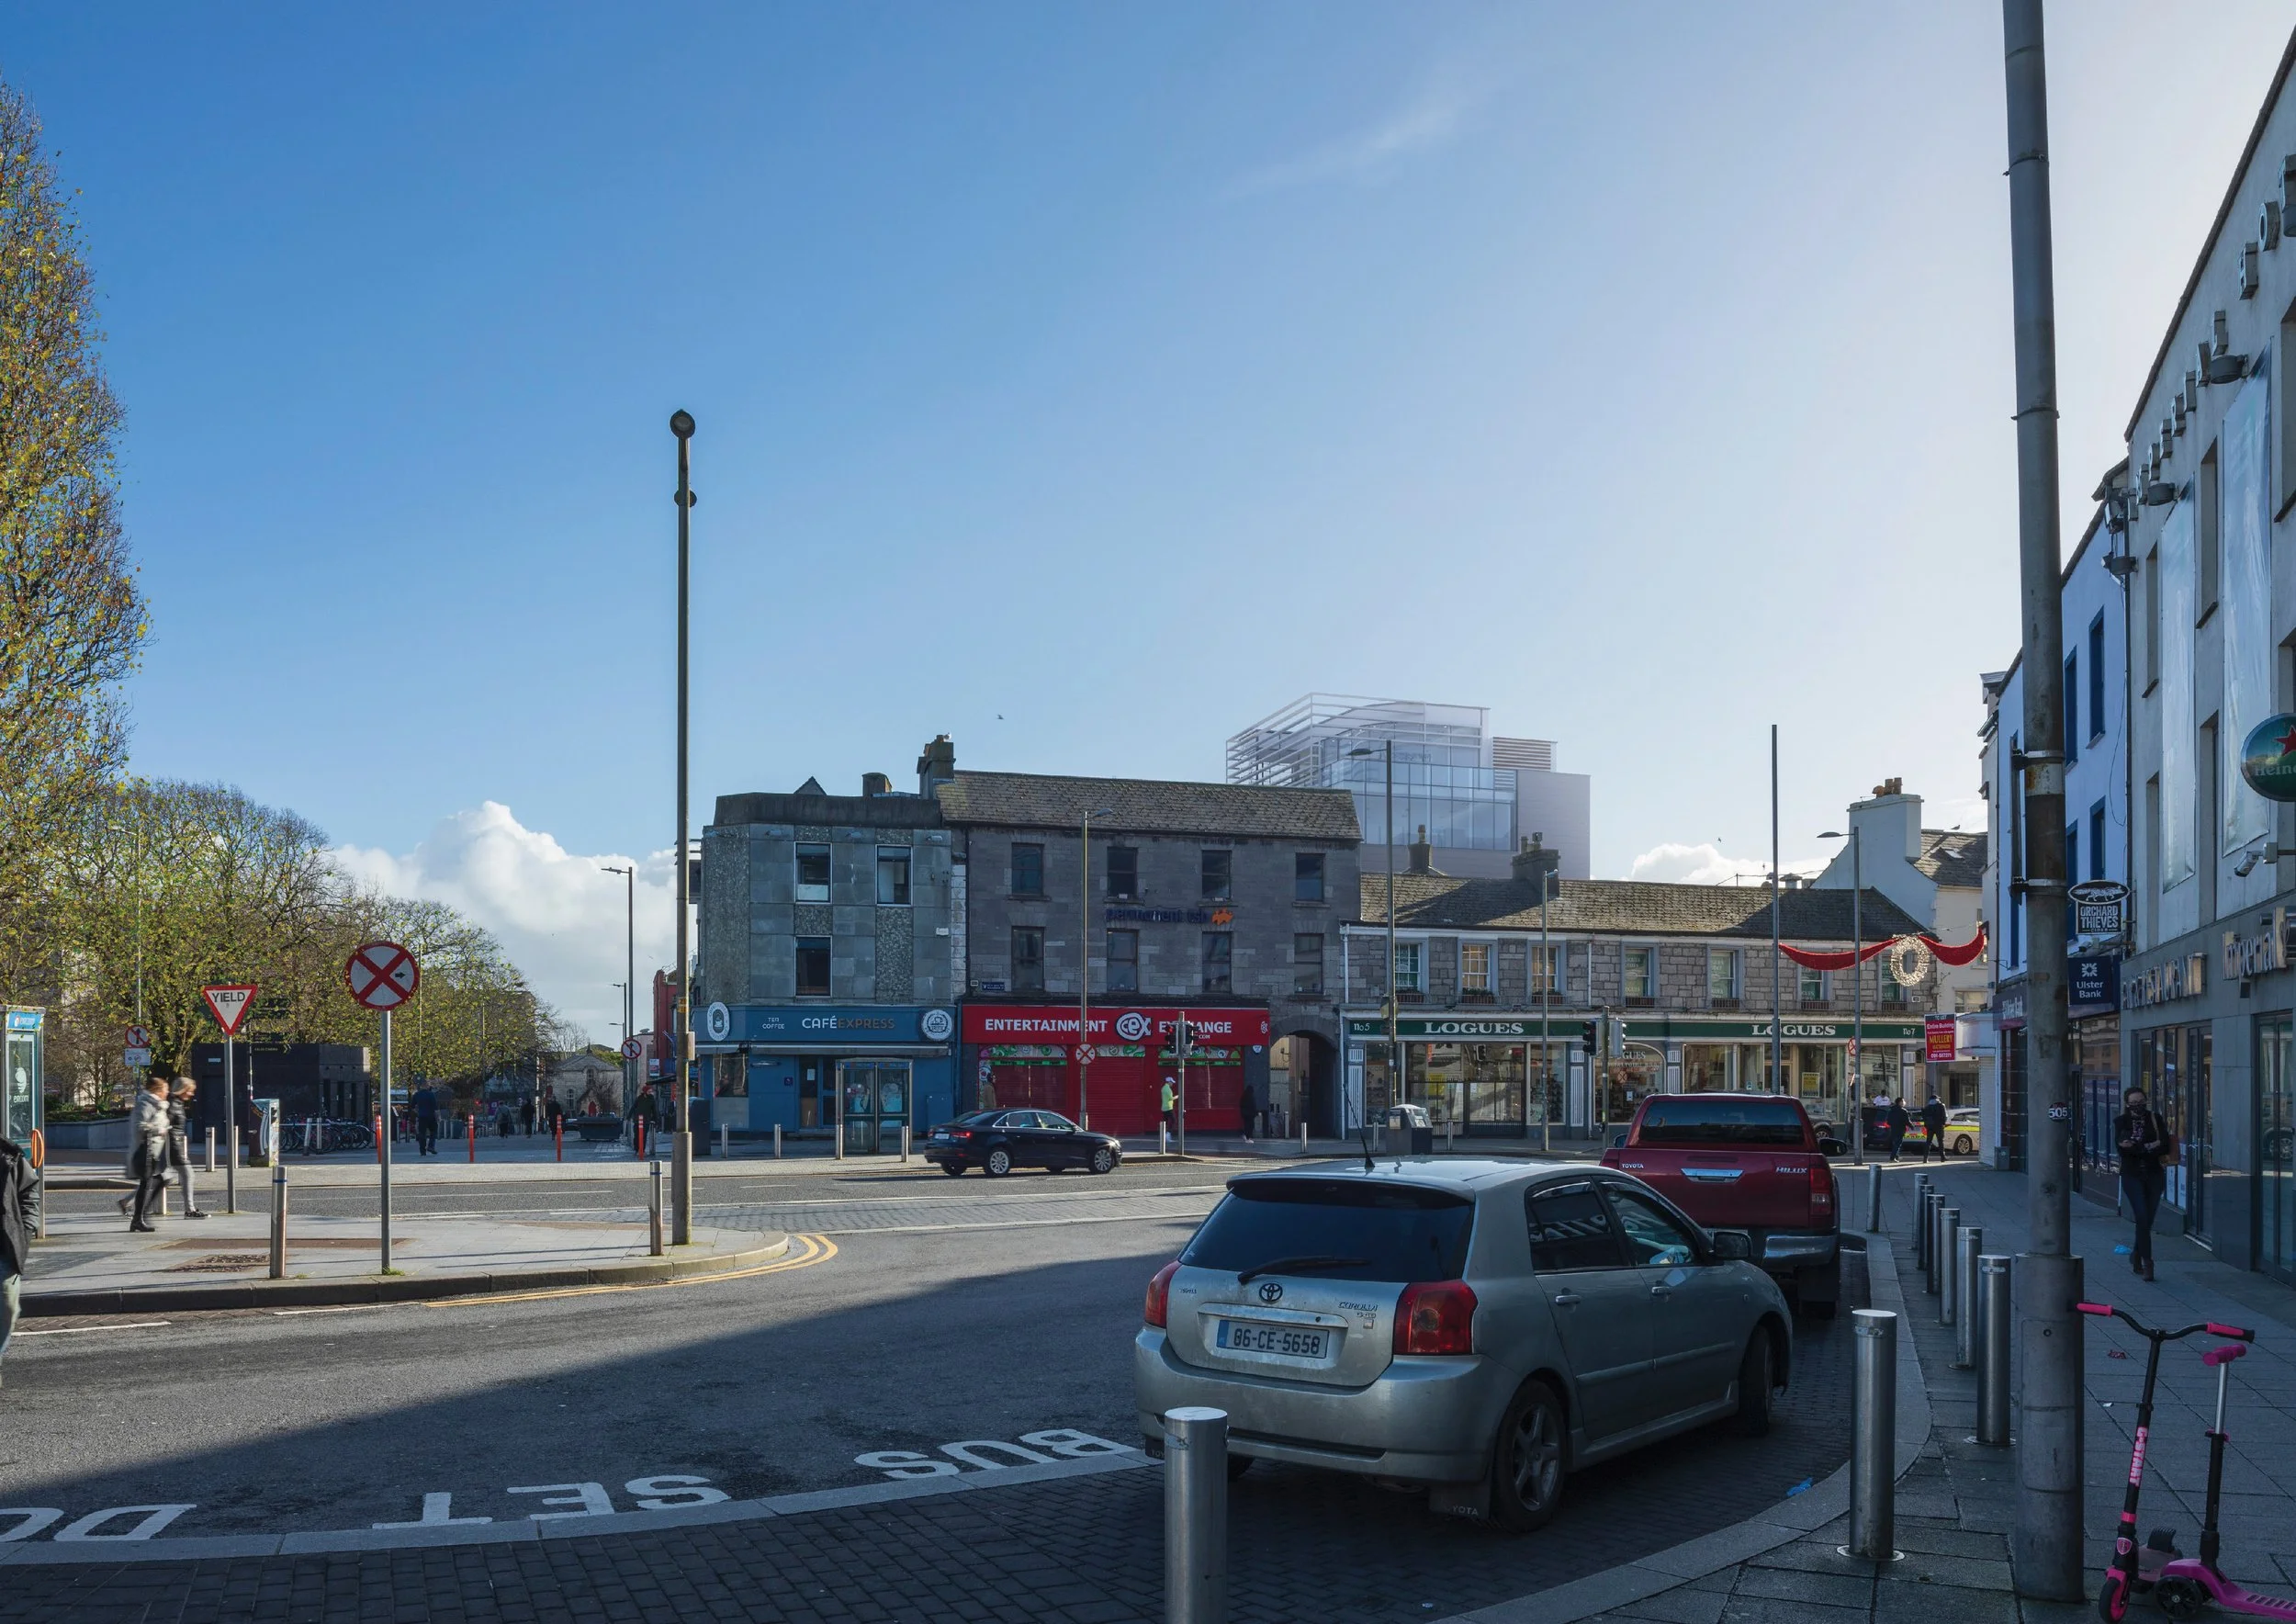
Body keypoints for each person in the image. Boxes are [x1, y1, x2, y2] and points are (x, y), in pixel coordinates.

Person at [2116, 1085, 2172, 1281]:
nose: (2138, 1106)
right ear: (2127, 1104)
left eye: (2141, 1102)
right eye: (2133, 1103)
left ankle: (2136, 1255)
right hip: (2132, 1176)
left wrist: (2139, 1146)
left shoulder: (2155, 1119)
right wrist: (2148, 1146)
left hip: (2154, 1174)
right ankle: (2148, 1263)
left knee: (2147, 1219)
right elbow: (2123, 1149)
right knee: (2141, 1216)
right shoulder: (2121, 1121)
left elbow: (2165, 1144)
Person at [0, 1129, 38, 1389]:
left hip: (5, 1244)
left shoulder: (9, 1154)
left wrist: (27, 1228)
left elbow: (29, 1190)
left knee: (8, 1306)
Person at [128, 1076, 171, 1232]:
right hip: (145, 1151)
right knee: (147, 1184)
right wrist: (158, 1129)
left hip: (154, 1151)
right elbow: (140, 1126)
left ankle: (139, 1217)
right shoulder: (145, 1103)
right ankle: (138, 1218)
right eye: (165, 1089)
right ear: (158, 1090)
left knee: (160, 1180)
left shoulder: (159, 1105)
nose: (168, 1092)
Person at [167, 1079, 207, 1218]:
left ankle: (127, 1202)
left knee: (158, 1180)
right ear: (183, 1089)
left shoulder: (177, 1102)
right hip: (172, 1146)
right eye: (190, 1090)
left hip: (174, 1145)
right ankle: (190, 1209)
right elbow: (165, 1125)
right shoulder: (172, 1103)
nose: (192, 1094)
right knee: (188, 1174)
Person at [412, 1083, 439, 1156]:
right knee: (433, 1132)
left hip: (421, 1116)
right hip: (431, 1116)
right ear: (427, 1087)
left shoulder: (417, 1094)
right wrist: (438, 1118)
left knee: (422, 1134)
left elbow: (412, 1106)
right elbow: (435, 1108)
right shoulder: (431, 1094)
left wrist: (418, 1112)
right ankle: (431, 1146)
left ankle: (422, 1151)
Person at [1921, 1094, 1948, 1165]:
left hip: (1930, 1127)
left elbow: (1924, 1117)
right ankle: (1942, 1157)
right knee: (1940, 1141)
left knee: (1928, 1142)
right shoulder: (1941, 1106)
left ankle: (1925, 1158)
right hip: (1939, 1126)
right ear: (1937, 1099)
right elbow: (1945, 1116)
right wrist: (1943, 1123)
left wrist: (1927, 1125)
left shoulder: (1927, 1107)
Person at [1885, 1096, 1911, 1163]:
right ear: (1900, 1102)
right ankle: (1892, 1158)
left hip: (1893, 1129)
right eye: (1902, 1101)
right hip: (1900, 1129)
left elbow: (1888, 1121)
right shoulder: (1903, 1111)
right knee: (1898, 1144)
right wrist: (1911, 1126)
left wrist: (1893, 1124)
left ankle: (1896, 1157)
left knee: (1895, 1144)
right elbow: (1907, 1121)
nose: (1904, 1102)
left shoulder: (1891, 1110)